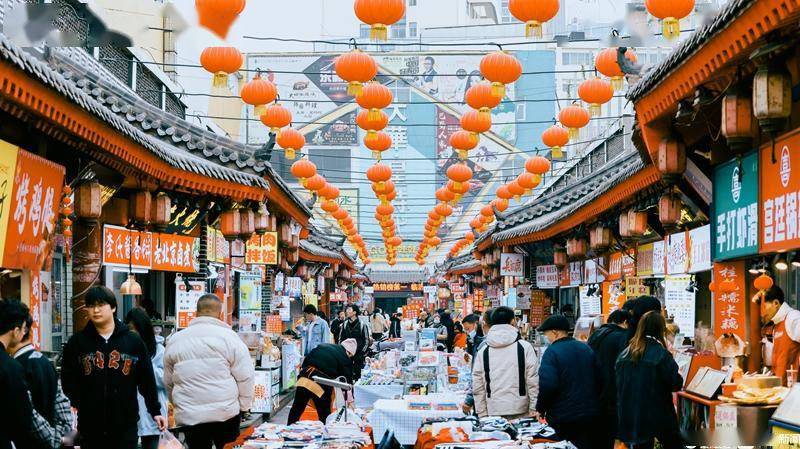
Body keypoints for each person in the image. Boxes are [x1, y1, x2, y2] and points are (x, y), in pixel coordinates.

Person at [61, 286, 166, 449]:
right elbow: (68, 379)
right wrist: (81, 401)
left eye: (101, 305)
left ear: (113, 307)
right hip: (90, 427)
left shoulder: (132, 342)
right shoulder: (77, 343)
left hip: (125, 426)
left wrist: (155, 411)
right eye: (91, 306)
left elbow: (146, 380)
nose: (96, 310)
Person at [164, 294, 254, 449]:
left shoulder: (175, 340)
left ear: (196, 312)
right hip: (226, 413)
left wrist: (179, 404)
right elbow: (245, 376)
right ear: (220, 314)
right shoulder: (230, 338)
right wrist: (244, 406)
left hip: (190, 416)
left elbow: (168, 381)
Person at [6, 305, 73, 449]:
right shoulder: (44, 361)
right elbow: (61, 401)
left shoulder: (14, 367)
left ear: (18, 331)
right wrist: (63, 434)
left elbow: (29, 413)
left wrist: (53, 439)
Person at [616, 311, 683, 449]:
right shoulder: (661, 354)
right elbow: (675, 383)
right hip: (658, 415)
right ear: (660, 330)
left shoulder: (625, 353)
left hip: (630, 415)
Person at [535, 315, 600, 449]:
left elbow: (548, 385)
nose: (547, 338)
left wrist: (541, 408)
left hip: (562, 416)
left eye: (547, 334)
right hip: (589, 414)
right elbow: (600, 379)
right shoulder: (586, 349)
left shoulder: (552, 352)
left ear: (555, 332)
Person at [472, 307, 539, 419]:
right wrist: (534, 408)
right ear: (513, 321)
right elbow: (533, 381)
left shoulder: (484, 350)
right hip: (521, 410)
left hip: (493, 410)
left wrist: (482, 413)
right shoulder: (524, 347)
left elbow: (477, 385)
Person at [587, 310, 630, 449]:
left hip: (595, 392)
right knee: (616, 437)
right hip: (613, 393)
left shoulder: (596, 335)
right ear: (624, 322)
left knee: (601, 436)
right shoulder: (622, 337)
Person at [286, 339, 356, 425]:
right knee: (324, 412)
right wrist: (350, 400)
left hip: (304, 377)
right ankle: (326, 432)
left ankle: (288, 428)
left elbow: (306, 361)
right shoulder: (344, 357)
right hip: (320, 382)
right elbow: (346, 382)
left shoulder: (324, 346)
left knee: (297, 407)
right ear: (349, 352)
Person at [125, 308, 167, 449]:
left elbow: (165, 379)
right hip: (129, 412)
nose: (134, 333)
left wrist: (144, 368)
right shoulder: (122, 349)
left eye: (137, 329)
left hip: (152, 413)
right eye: (130, 329)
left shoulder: (159, 350)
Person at [0, 300, 39, 449]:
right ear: (15, 331)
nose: (24, 333)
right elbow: (22, 418)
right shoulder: (11, 367)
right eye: (23, 329)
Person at [760, 285, 800, 383]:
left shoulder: (793, 318)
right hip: (781, 388)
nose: (762, 313)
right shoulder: (776, 324)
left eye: (764, 307)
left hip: (794, 390)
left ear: (776, 303)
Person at [338, 305, 370, 380]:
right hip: (346, 354)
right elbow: (340, 339)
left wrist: (362, 352)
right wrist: (342, 351)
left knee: (358, 376)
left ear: (354, 312)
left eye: (349, 309)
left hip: (358, 354)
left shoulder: (362, 325)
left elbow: (366, 340)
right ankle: (348, 390)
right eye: (347, 310)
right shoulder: (345, 324)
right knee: (346, 375)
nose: (347, 311)